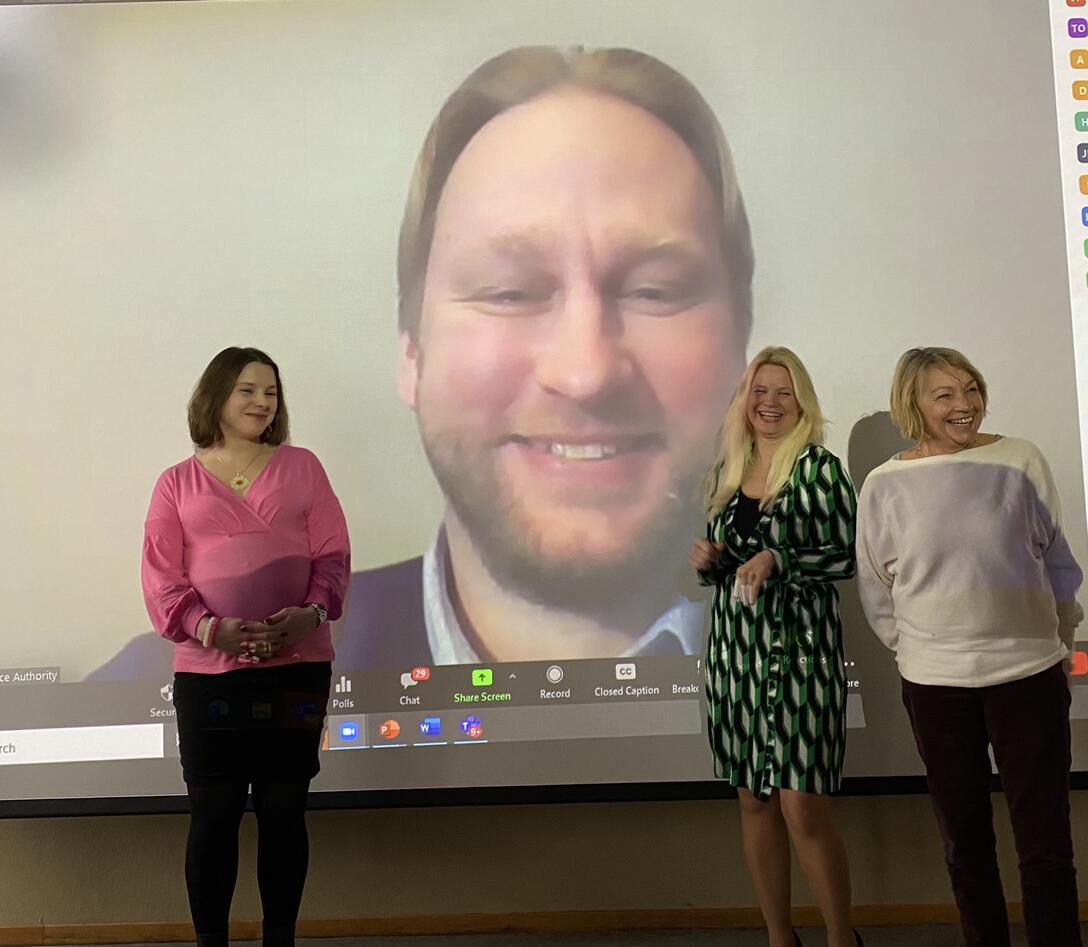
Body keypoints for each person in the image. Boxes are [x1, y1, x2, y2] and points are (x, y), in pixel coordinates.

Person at [90, 43, 754, 679]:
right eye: (509, 291)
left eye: (657, 291)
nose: (585, 372)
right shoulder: (157, 688)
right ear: (411, 350)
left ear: (741, 345)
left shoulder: (847, 650)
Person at [856, 347, 1082, 947]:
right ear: (914, 404)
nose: (965, 405)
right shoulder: (884, 485)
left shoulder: (1019, 459)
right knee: (965, 847)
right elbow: (878, 587)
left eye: (971, 389)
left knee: (1046, 848)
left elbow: (1058, 561)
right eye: (945, 395)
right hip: (936, 687)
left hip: (1028, 675)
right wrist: (923, 652)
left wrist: (1058, 640)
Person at [141, 346, 350, 947]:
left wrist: (308, 617)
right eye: (248, 391)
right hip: (207, 675)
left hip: (298, 670)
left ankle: (278, 939)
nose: (263, 403)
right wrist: (212, 630)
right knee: (214, 813)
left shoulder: (303, 467)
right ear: (216, 397)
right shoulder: (175, 484)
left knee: (285, 811)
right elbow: (161, 577)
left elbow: (333, 554)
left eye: (272, 393)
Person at [690, 347, 860, 947]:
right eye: (759, 390)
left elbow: (846, 554)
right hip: (736, 657)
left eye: (783, 392)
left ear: (801, 402)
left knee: (801, 808)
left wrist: (778, 556)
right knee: (754, 802)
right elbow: (727, 572)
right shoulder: (727, 472)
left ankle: (843, 939)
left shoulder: (819, 468)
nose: (769, 402)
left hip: (802, 657)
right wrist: (710, 562)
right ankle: (779, 937)